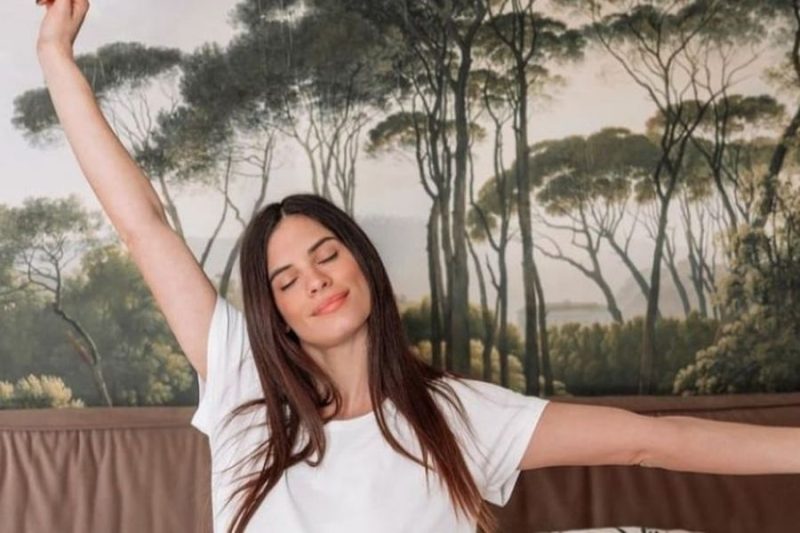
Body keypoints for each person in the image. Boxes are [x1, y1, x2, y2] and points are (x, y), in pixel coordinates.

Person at [34, 1, 800, 532]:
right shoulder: (242, 379)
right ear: (276, 314)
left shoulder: (455, 413)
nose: (315, 279)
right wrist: (55, 56)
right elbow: (142, 224)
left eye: (327, 254)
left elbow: (648, 441)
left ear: (363, 266)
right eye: (287, 279)